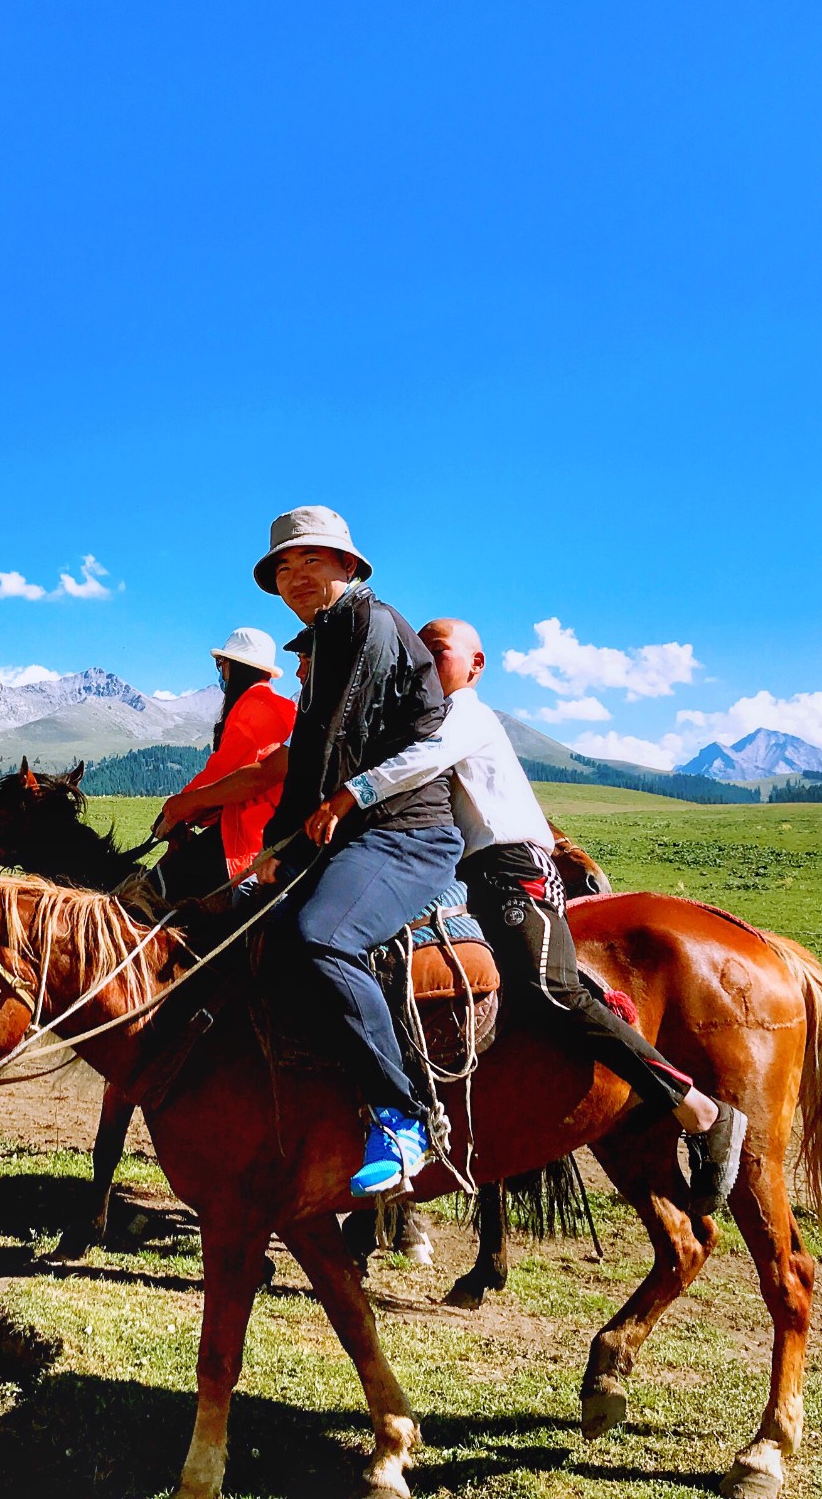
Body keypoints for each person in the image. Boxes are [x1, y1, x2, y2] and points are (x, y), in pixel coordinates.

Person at [304, 617, 749, 1215]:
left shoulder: (464, 715)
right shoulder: (429, 715)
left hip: (512, 869)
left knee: (550, 987)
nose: (426, 665)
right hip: (469, 875)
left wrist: (350, 793)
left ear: (475, 666)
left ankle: (695, 1108)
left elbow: (422, 761)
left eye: (437, 653)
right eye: (419, 655)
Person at [250, 506, 462, 1198]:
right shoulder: (326, 637)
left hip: (406, 831)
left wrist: (293, 841)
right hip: (350, 829)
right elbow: (310, 752)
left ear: (347, 565)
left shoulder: (369, 625)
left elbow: (339, 743)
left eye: (310, 560)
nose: (294, 576)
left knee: (325, 938)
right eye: (283, 567)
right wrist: (271, 850)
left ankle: (404, 1115)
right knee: (252, 920)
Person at [154, 627, 298, 878]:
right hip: (278, 822)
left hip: (251, 832)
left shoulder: (251, 709)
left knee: (161, 885)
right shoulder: (282, 706)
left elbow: (222, 773)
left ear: (235, 666)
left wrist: (175, 808)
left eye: (221, 664)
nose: (221, 672)